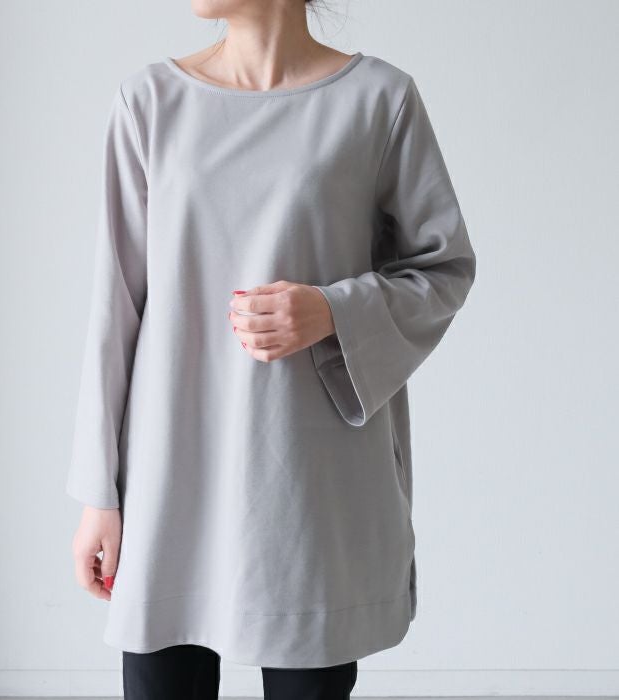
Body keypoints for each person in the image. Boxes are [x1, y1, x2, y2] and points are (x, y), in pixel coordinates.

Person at [66, 1, 477, 698]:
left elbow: (443, 268)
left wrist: (332, 310)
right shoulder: (149, 103)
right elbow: (116, 309)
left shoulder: (379, 101)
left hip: (309, 484)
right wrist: (97, 495)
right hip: (170, 480)